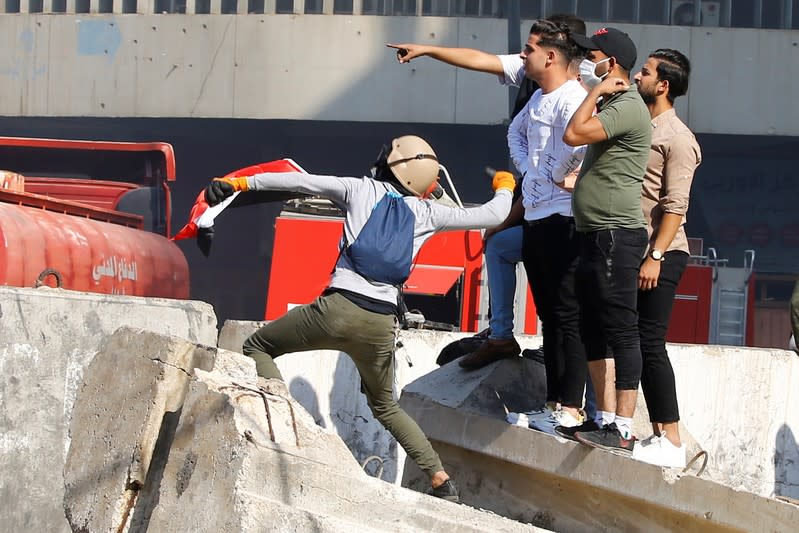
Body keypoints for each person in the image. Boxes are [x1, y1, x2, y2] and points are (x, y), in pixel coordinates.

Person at [203, 135, 515, 502]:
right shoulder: (429, 212)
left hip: (334, 311)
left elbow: (298, 181)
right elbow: (492, 215)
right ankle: (440, 480)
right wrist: (505, 185)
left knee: (258, 346)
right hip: (381, 326)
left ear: (389, 165)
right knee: (385, 406)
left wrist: (238, 183)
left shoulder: (357, 189)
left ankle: (284, 430)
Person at [387, 13, 587, 366]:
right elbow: (482, 60)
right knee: (500, 245)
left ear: (560, 49)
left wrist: (558, 176)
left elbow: (582, 149)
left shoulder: (583, 88)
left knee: (561, 294)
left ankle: (558, 356)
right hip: (537, 199)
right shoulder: (536, 73)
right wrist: (428, 50)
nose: (523, 56)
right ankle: (501, 334)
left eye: (532, 47)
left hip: (569, 208)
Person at [559, 28, 652, 454]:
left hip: (617, 235)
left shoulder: (627, 105)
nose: (582, 61)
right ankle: (600, 418)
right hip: (593, 233)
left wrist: (593, 92)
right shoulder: (614, 101)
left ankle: (623, 427)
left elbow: (573, 135)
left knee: (621, 329)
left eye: (590, 55)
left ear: (611, 63)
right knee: (592, 326)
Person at [622, 49, 702, 468]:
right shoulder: (640, 125)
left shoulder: (678, 138)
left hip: (663, 252)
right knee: (628, 337)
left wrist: (655, 256)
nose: (638, 76)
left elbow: (675, 206)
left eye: (646, 72)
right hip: (636, 248)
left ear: (664, 85)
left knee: (650, 342)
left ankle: (670, 439)